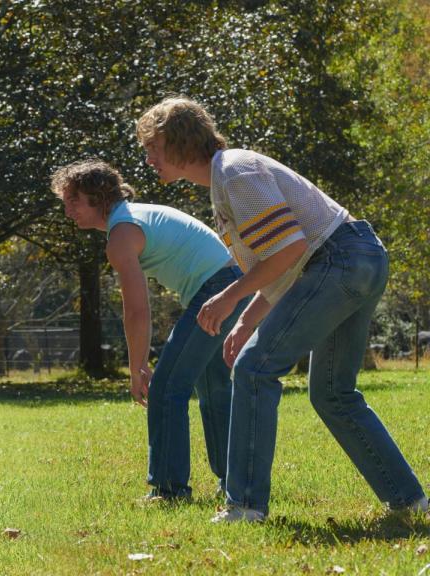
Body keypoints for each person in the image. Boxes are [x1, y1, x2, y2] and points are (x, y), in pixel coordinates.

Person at [136, 96, 428, 523]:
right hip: (355, 259)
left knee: (255, 368)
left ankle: (246, 505)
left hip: (338, 261)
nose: (147, 159)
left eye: (152, 147)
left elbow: (290, 250)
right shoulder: (226, 179)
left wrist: (230, 297)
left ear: (178, 142)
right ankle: (411, 503)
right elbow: (281, 265)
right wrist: (246, 323)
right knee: (333, 393)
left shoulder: (234, 171)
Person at [52, 159, 248, 502]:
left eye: (74, 201)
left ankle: (169, 490)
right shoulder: (132, 217)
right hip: (233, 283)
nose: (68, 211)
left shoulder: (122, 233)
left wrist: (138, 367)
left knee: (167, 387)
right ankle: (235, 481)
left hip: (218, 289)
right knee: (213, 385)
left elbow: (137, 311)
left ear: (98, 198)